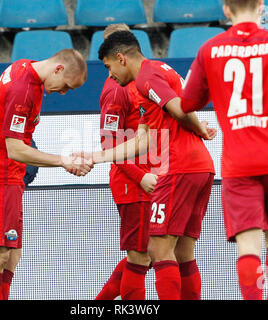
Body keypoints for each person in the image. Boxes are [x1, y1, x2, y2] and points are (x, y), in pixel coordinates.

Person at [179, 0, 268, 300]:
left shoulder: (210, 49)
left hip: (239, 163)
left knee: (248, 247)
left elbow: (187, 103)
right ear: (261, 6)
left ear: (226, 9)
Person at [81, 31, 216, 300]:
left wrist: (198, 127)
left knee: (155, 251)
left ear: (120, 58)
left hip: (175, 168)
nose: (110, 75)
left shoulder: (145, 77)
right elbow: (144, 140)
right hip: (201, 166)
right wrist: (96, 157)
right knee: (182, 253)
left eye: (108, 67)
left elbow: (178, 107)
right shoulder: (159, 71)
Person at [0, 49, 93, 300]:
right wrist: (63, 161)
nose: (64, 92)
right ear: (58, 69)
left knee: (13, 254)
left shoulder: (23, 66)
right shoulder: (24, 90)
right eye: (66, 86)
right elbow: (16, 150)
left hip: (5, 174)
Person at [95, 24, 158, 301]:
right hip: (134, 182)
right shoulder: (116, 90)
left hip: (150, 176)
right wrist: (139, 175)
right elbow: (109, 143)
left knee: (152, 253)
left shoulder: (140, 82)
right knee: (141, 256)